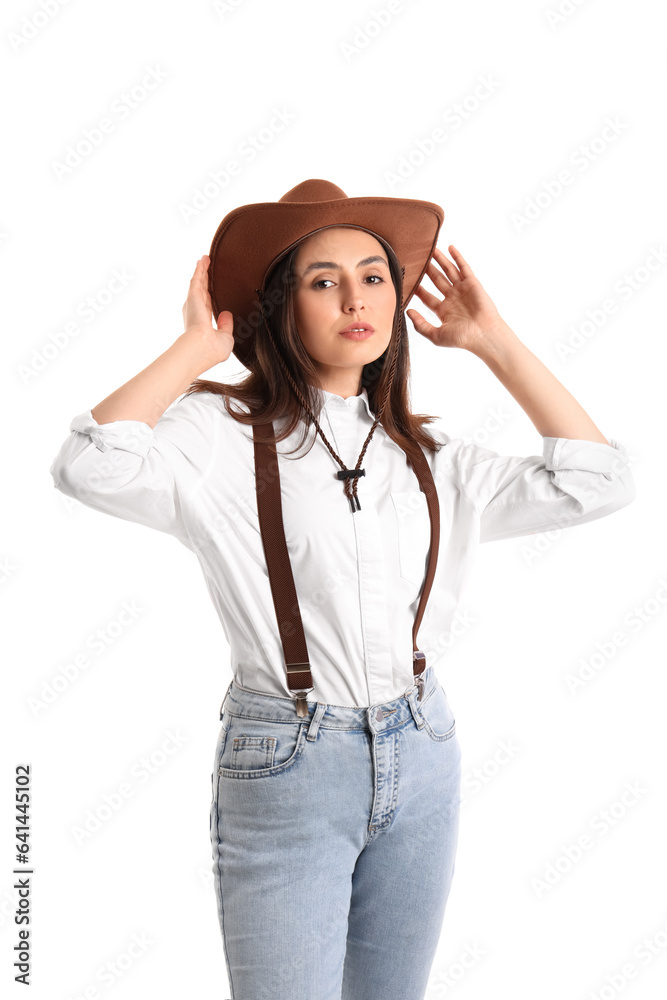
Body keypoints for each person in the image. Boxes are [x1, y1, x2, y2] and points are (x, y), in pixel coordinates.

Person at [49, 178, 635, 1000]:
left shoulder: (428, 458)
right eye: (322, 281)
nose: (354, 297)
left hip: (422, 748)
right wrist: (200, 348)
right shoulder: (215, 437)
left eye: (373, 276)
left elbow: (599, 482)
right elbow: (87, 466)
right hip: (288, 759)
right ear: (280, 307)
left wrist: (491, 339)